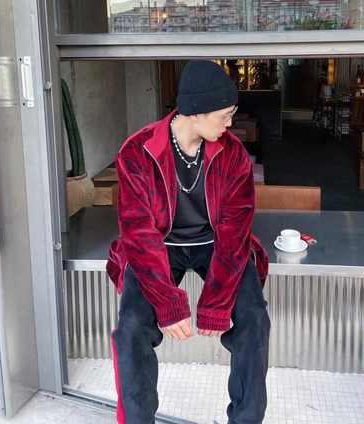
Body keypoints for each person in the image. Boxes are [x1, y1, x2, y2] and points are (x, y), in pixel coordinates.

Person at [106, 60, 270, 424]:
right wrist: (168, 304)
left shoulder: (233, 154)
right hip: (159, 247)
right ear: (196, 112)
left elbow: (235, 231)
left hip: (217, 244)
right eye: (225, 115)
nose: (230, 123)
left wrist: (216, 303)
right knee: (132, 325)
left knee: (254, 318)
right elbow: (139, 233)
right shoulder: (138, 151)